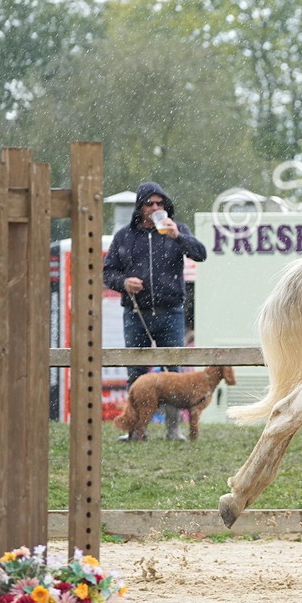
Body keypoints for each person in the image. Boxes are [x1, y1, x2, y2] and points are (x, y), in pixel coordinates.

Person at [103, 182, 207, 441]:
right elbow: (108, 273)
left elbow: (201, 254)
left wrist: (177, 236)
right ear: (140, 207)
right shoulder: (124, 236)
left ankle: (173, 430)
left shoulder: (177, 229)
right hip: (136, 313)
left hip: (171, 311)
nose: (156, 208)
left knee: (173, 374)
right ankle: (135, 431)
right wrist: (124, 283)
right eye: (150, 203)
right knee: (136, 372)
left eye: (160, 203)